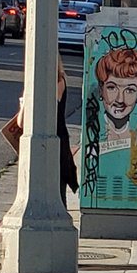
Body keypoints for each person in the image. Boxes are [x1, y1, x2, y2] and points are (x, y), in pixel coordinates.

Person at [57, 57, 79, 206]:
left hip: (51, 144)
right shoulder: (61, 80)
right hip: (61, 141)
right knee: (59, 190)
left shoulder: (38, 86)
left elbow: (21, 120)